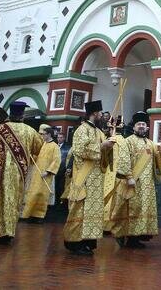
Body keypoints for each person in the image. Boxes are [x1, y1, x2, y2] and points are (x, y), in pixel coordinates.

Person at [0, 101, 43, 244]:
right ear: (22, 116)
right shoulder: (30, 131)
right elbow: (38, 149)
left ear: (10, 114)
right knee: (13, 201)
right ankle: (8, 233)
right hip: (18, 175)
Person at [64, 101, 115, 255]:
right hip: (84, 178)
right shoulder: (82, 130)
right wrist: (102, 146)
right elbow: (79, 150)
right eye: (100, 113)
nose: (102, 116)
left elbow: (105, 153)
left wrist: (110, 141)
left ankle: (87, 242)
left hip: (96, 179)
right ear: (94, 114)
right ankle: (75, 243)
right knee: (80, 209)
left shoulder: (98, 132)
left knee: (92, 211)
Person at [111, 111, 161, 248]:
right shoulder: (128, 141)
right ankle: (128, 238)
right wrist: (129, 177)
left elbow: (157, 162)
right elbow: (123, 160)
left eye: (143, 124)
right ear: (134, 127)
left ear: (147, 128)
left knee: (143, 210)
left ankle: (139, 236)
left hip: (147, 186)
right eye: (138, 124)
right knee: (132, 209)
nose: (141, 126)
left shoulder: (151, 144)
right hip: (133, 183)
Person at [22, 125, 61, 223]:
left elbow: (56, 161)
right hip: (37, 173)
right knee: (33, 194)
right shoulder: (43, 145)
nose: (42, 136)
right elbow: (37, 158)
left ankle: (39, 216)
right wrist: (31, 156)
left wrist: (48, 172)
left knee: (42, 195)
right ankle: (30, 214)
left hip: (45, 175)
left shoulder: (55, 146)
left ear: (49, 134)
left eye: (43, 134)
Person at [103, 115, 127, 234]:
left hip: (108, 172)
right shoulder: (125, 141)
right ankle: (113, 224)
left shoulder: (109, 141)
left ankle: (104, 224)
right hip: (119, 174)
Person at [55, 131, 71, 207]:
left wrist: (67, 169)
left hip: (62, 170)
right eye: (58, 137)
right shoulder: (54, 146)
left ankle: (61, 202)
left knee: (61, 187)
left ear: (64, 138)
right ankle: (54, 201)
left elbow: (68, 159)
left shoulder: (68, 148)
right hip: (54, 170)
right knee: (54, 186)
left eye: (61, 137)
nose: (59, 139)